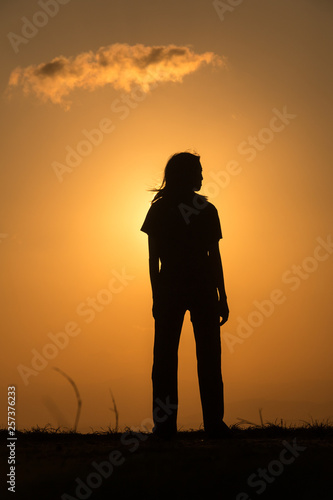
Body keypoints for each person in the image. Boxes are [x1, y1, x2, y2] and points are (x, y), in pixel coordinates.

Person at [141, 152, 230, 438]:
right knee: (207, 358)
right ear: (187, 174)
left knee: (166, 359)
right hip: (200, 286)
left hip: (172, 287)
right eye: (199, 171)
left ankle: (165, 427)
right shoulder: (205, 210)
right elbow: (213, 256)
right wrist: (221, 295)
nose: (203, 177)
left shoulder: (161, 209)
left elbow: (154, 260)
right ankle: (213, 425)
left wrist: (157, 296)